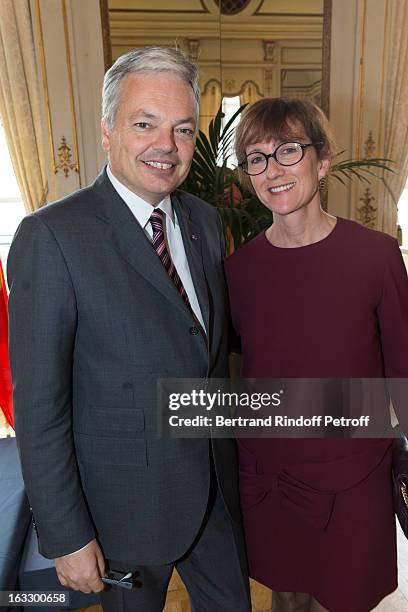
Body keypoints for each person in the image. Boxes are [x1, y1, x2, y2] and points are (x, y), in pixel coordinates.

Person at [7, 47, 251, 612]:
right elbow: (40, 407)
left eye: (183, 129)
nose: (166, 145)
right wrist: (67, 535)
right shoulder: (52, 238)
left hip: (213, 494)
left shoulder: (205, 223)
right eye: (145, 124)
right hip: (123, 513)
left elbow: (204, 351)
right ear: (108, 131)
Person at [225, 97, 408, 612]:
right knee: (285, 601)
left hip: (353, 482)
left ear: (322, 161)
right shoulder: (237, 272)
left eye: (288, 151)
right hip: (271, 480)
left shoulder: (375, 256)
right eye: (256, 158)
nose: (272, 170)